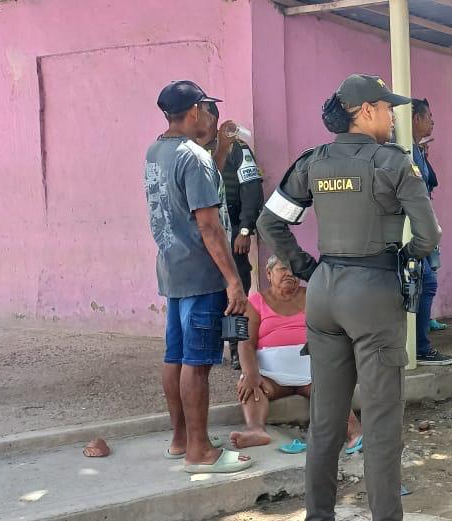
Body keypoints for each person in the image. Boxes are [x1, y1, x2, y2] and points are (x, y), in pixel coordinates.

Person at [258, 74, 441, 521]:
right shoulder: (393, 162)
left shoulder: (313, 161)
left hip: (324, 293)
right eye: (386, 108)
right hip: (374, 294)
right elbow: (429, 234)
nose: (392, 116)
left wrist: (307, 269)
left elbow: (269, 223)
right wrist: (405, 260)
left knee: (324, 423)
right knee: (380, 427)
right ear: (365, 112)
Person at [144, 80, 252, 474]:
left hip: (173, 268)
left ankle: (180, 440)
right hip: (203, 272)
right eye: (207, 108)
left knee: (174, 356)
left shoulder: (157, 151)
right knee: (198, 363)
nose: (210, 115)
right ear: (193, 112)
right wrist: (233, 281)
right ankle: (200, 451)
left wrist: (220, 150)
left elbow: (199, 189)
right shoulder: (193, 157)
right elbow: (209, 225)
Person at [228, 255, 362, 453]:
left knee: (330, 389)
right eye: (282, 269)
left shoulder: (314, 296)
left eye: (293, 270)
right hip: (270, 376)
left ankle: (354, 433)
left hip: (310, 372)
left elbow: (333, 333)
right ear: (268, 273)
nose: (289, 274)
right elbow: (246, 344)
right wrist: (250, 373)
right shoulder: (255, 302)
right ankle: (256, 431)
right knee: (249, 385)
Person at [197, 101, 265, 370]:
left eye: (199, 113)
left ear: (212, 118)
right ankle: (209, 348)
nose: (195, 118)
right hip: (202, 238)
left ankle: (238, 349)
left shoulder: (238, 148)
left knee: (237, 294)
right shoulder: (191, 151)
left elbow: (252, 188)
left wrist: (246, 229)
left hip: (234, 232)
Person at [410, 98, 452, 365]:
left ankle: (419, 345)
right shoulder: (404, 149)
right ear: (415, 118)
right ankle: (419, 347)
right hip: (412, 231)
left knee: (425, 283)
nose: (432, 121)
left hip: (423, 228)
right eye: (428, 116)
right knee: (423, 284)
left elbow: (430, 182)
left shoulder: (416, 149)